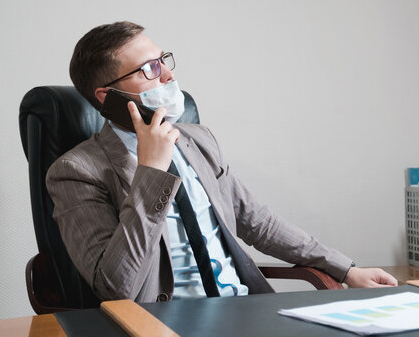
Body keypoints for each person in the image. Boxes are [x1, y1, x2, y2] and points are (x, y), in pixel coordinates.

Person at [46, 21, 397, 303]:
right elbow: (116, 287)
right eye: (149, 69)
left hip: (240, 309)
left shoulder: (199, 140)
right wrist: (151, 173)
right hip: (163, 322)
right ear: (109, 97)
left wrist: (347, 269)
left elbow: (258, 222)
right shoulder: (76, 172)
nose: (167, 76)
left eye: (163, 60)